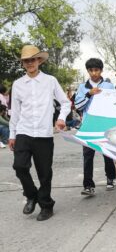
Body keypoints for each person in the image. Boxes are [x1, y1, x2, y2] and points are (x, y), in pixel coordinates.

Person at [9, 45, 70, 221]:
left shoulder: (50, 81)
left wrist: (62, 118)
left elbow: (65, 103)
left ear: (39, 61)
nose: (30, 63)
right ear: (23, 63)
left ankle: (46, 205)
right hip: (23, 131)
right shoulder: (18, 84)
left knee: (44, 172)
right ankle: (31, 195)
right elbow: (15, 111)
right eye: (26, 60)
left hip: (43, 134)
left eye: (33, 59)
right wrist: (12, 135)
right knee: (20, 167)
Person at [75, 58, 116, 196]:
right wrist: (89, 93)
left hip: (104, 125)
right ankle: (88, 186)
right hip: (88, 126)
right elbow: (78, 106)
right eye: (91, 70)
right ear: (87, 71)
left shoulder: (109, 86)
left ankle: (110, 178)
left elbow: (114, 105)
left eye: (96, 70)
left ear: (101, 70)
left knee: (107, 154)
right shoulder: (82, 87)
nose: (94, 73)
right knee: (87, 156)